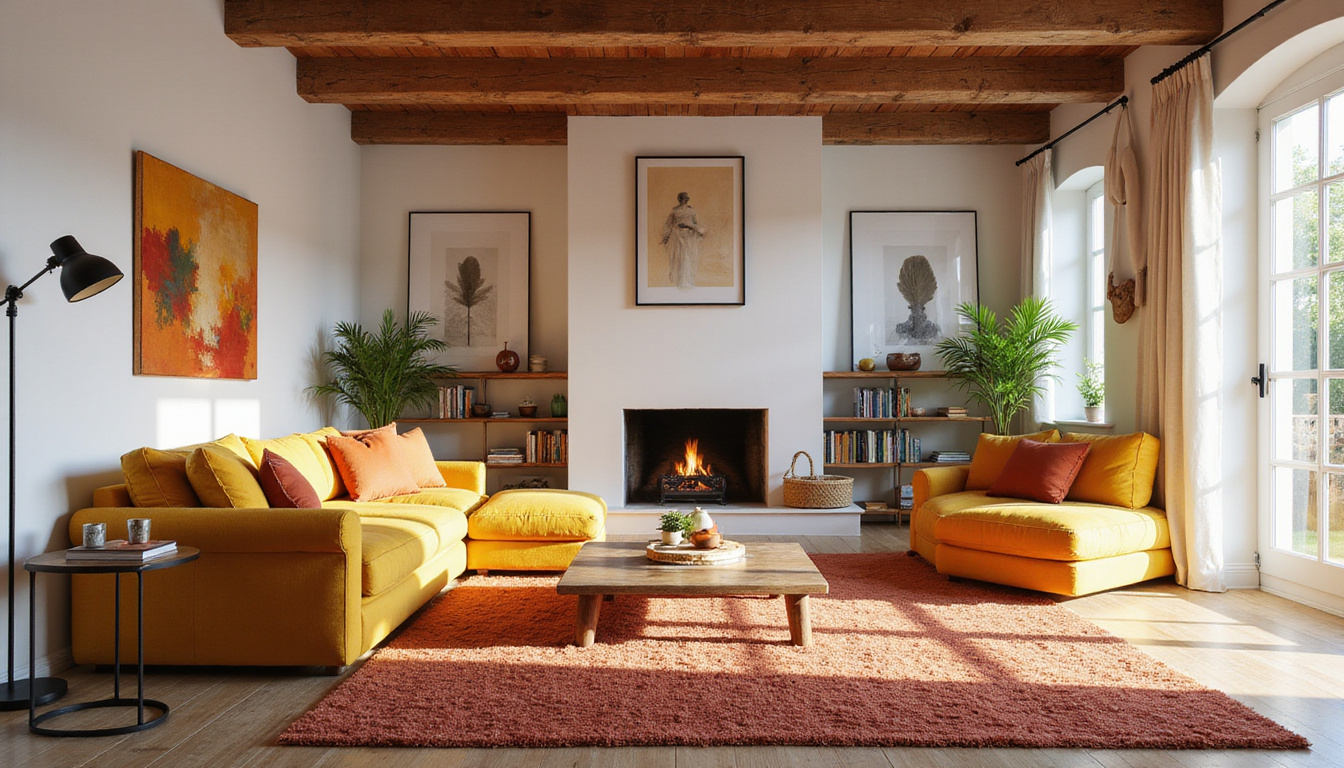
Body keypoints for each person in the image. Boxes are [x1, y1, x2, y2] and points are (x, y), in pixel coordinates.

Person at [660, 192, 706, 289]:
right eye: (681, 198)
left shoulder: (692, 211)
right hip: (677, 236)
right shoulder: (674, 211)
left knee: (688, 257)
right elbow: (669, 224)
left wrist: (690, 226)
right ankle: (678, 280)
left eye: (684, 198)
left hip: (689, 237)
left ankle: (688, 281)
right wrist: (666, 236)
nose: (683, 200)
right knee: (678, 257)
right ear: (679, 199)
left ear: (687, 199)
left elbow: (697, 225)